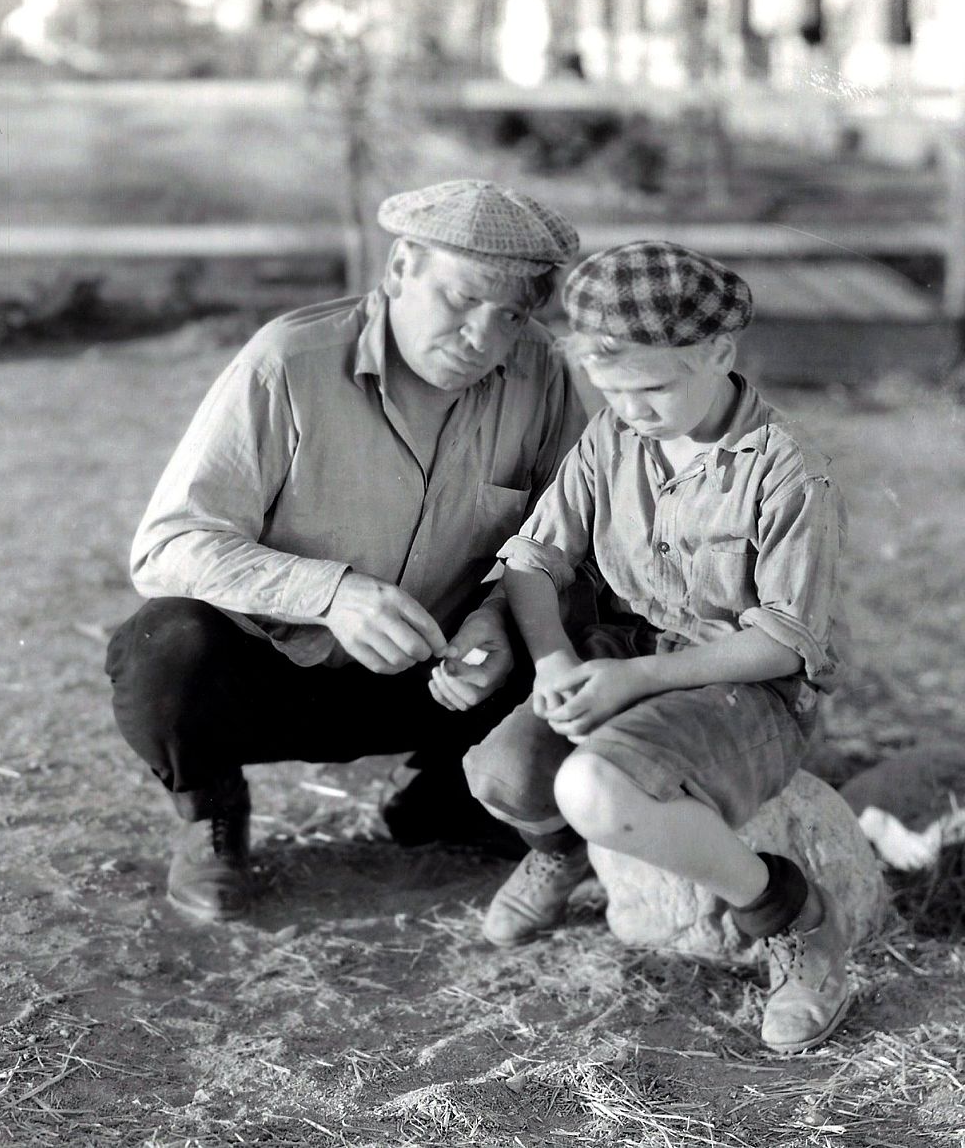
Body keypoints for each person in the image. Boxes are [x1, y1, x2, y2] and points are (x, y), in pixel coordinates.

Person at [106, 180, 587, 923]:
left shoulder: (540, 372)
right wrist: (330, 594)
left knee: (573, 622)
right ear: (400, 270)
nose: (481, 340)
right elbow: (167, 544)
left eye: (511, 316)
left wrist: (496, 612)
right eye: (461, 300)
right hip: (278, 674)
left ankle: (448, 799)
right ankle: (210, 812)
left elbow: (565, 530)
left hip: (440, 675)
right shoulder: (287, 362)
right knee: (161, 646)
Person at [461, 241, 854, 1052]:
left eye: (649, 387)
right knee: (498, 774)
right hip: (621, 654)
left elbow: (782, 642)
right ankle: (564, 853)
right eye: (608, 390)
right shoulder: (612, 439)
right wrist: (556, 662)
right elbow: (533, 562)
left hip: (742, 687)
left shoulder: (787, 471)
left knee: (596, 788)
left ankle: (795, 917)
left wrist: (633, 678)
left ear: (717, 353)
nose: (629, 410)